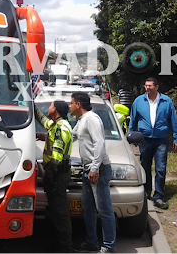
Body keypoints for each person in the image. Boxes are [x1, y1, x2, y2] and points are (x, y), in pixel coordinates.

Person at [70, 92, 115, 254]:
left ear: (78, 105)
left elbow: (99, 143)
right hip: (87, 169)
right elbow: (71, 135)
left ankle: (109, 247)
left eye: (71, 103)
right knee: (88, 208)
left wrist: (95, 168)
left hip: (98, 170)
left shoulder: (92, 119)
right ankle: (92, 243)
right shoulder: (82, 120)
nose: (70, 106)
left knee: (104, 210)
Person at [129, 77, 177, 210]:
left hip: (161, 140)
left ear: (157, 87)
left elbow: (174, 120)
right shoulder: (139, 101)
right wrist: (131, 135)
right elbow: (133, 119)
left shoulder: (166, 101)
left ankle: (158, 196)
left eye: (150, 86)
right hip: (145, 139)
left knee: (161, 168)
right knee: (145, 166)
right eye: (146, 86)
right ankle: (147, 191)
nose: (147, 88)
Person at [35, 100, 74, 254]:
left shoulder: (60, 128)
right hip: (56, 175)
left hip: (57, 175)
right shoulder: (56, 125)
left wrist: (48, 176)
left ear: (56, 110)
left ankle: (66, 249)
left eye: (51, 106)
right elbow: (42, 119)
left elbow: (56, 158)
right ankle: (58, 245)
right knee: (55, 213)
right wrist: (30, 102)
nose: (49, 109)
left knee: (61, 214)